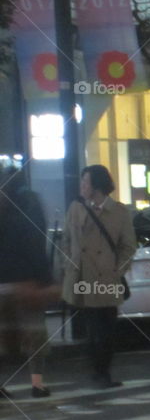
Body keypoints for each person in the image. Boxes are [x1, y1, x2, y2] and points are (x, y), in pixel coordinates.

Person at [62, 165, 136, 389]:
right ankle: (99, 372)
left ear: (97, 186)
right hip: (82, 277)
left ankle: (102, 371)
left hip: (107, 279)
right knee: (93, 327)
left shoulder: (119, 212)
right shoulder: (76, 208)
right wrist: (70, 265)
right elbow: (66, 240)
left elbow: (129, 246)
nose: (82, 187)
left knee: (107, 329)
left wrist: (116, 271)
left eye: (86, 182)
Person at [0, 165, 57, 399]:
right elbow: (36, 244)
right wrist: (45, 279)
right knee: (34, 335)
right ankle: (37, 384)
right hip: (27, 283)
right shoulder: (30, 205)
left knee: (1, 336)